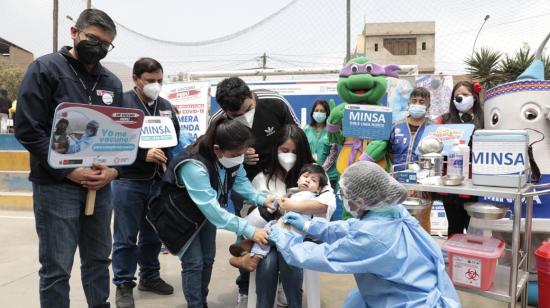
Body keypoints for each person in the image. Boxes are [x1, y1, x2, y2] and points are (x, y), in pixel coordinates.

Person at [14, 9, 121, 308]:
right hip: (56, 186)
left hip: (100, 187)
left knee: (99, 259)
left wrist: (112, 172)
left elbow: (123, 136)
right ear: (75, 33)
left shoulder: (110, 81)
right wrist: (68, 171)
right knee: (57, 267)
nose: (98, 47)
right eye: (93, 39)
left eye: (105, 44)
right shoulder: (45, 69)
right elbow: (28, 129)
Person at [270, 161, 461, 308]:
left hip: (409, 301)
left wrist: (283, 238)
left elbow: (323, 256)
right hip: (412, 285)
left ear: (360, 200)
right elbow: (349, 228)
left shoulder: (372, 237)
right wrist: (309, 225)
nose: (344, 200)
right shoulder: (391, 211)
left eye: (345, 196)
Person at [147, 117, 275, 308]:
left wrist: (262, 198)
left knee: (207, 259)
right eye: (236, 154)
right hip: (179, 217)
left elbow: (240, 182)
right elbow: (212, 209)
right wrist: (249, 230)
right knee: (194, 263)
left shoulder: (230, 156)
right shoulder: (193, 165)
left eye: (242, 153)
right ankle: (196, 305)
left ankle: (201, 301)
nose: (240, 158)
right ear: (217, 149)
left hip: (204, 216)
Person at [210, 76, 299, 306]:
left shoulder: (275, 102)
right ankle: (245, 288)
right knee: (248, 233)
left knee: (282, 231)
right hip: (245, 186)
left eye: (245, 111)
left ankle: (279, 284)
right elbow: (215, 153)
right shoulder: (218, 119)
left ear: (251, 96)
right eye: (234, 116)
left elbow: (296, 135)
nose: (241, 118)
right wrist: (240, 155)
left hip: (280, 179)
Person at [112, 58, 179, 308]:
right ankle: (123, 283)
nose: (156, 85)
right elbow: (113, 140)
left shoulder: (165, 106)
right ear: (136, 79)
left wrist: (165, 159)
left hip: (157, 181)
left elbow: (173, 138)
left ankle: (150, 276)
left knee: (152, 235)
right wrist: (143, 153)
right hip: (128, 180)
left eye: (160, 80)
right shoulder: (123, 103)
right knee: (125, 237)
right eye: (150, 81)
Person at [252, 124, 336, 308]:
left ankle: (293, 303)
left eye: (294, 151)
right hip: (272, 236)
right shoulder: (263, 177)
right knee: (269, 261)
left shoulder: (316, 173)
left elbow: (325, 204)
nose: (289, 155)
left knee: (289, 255)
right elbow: (257, 211)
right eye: (284, 150)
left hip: (303, 236)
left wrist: (292, 206)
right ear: (276, 149)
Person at [228, 163, 330, 272]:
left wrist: (280, 203)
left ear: (319, 189)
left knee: (269, 232)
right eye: (305, 177)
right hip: (287, 227)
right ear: (298, 180)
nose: (308, 180)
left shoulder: (310, 197)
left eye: (314, 180)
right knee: (269, 227)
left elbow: (289, 207)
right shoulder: (295, 194)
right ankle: (251, 247)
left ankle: (253, 257)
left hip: (293, 231)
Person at [389, 87, 440, 233]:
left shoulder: (433, 128)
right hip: (397, 182)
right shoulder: (396, 126)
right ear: (409, 103)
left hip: (424, 184)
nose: (417, 104)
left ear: (428, 105)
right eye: (414, 100)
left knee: (422, 221)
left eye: (422, 101)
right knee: (396, 220)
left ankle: (424, 252)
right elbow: (389, 152)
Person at [441, 81, 483, 236]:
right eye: (457, 95)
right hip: (451, 183)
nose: (460, 98)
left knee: (474, 229)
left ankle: (472, 258)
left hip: (476, 182)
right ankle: (453, 257)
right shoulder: (443, 120)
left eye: (465, 94)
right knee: (454, 227)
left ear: (475, 97)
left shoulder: (484, 120)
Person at [303, 99, 339, 193]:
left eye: (322, 111)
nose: (319, 113)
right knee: (310, 204)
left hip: (329, 176)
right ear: (312, 113)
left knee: (326, 205)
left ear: (327, 114)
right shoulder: (306, 129)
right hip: (310, 175)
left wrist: (320, 170)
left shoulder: (331, 131)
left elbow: (333, 154)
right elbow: (302, 151)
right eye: (317, 110)